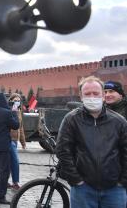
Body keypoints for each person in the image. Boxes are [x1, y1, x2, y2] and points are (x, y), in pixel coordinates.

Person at [56, 76, 127, 207]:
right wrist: (76, 179)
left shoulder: (119, 122)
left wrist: (123, 181)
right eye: (87, 94)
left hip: (114, 190)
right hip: (83, 189)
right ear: (81, 97)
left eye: (96, 93)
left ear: (103, 96)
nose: (92, 97)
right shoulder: (71, 119)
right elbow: (62, 150)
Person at [7, 93, 26, 190]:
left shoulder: (18, 111)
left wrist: (23, 142)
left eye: (19, 100)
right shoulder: (9, 111)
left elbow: (21, 128)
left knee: (9, 162)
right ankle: (15, 182)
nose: (17, 102)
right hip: (9, 139)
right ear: (11, 101)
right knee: (15, 161)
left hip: (15, 141)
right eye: (15, 100)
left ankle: (6, 181)